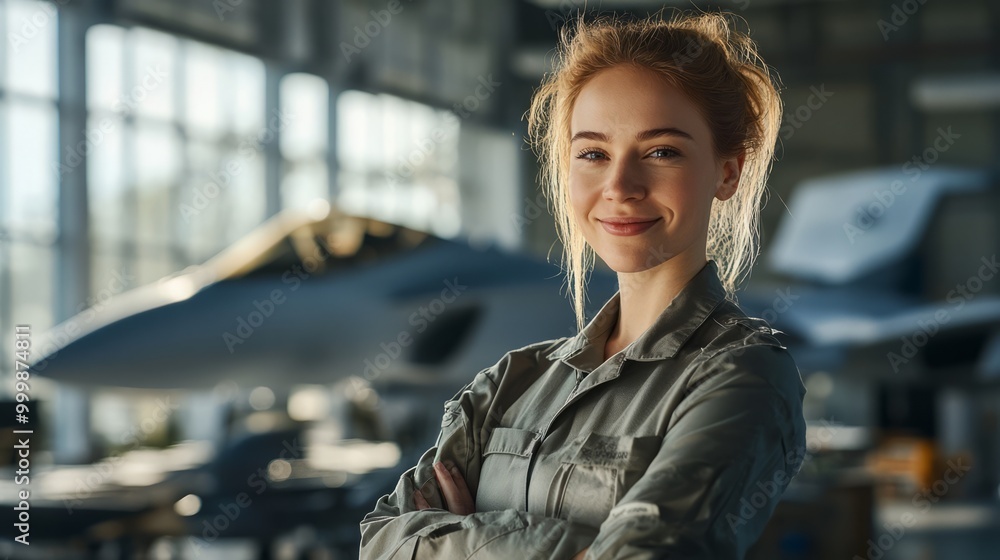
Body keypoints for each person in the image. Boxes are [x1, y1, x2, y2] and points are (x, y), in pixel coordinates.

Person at [359, 9, 807, 560]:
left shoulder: (742, 375)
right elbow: (380, 539)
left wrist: (457, 540)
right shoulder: (511, 383)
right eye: (593, 153)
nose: (620, 185)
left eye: (661, 151)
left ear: (727, 172)